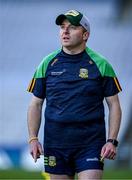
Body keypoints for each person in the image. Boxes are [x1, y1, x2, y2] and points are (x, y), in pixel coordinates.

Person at [27, 10, 122, 180]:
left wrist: (112, 140)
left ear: (85, 35)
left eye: (72, 28)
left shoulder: (101, 64)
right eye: (62, 27)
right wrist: (33, 138)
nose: (65, 31)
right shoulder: (47, 63)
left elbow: (114, 104)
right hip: (55, 144)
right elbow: (36, 104)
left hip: (91, 144)